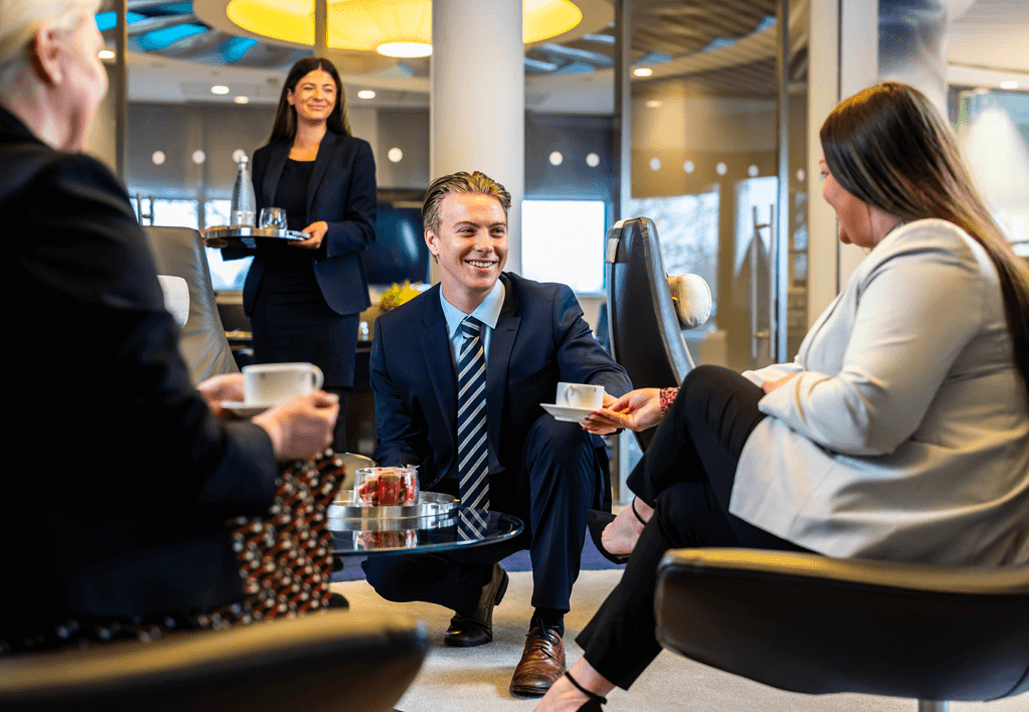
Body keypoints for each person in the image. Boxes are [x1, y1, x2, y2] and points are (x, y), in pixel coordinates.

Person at [533, 81, 1029, 712]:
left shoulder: (931, 252)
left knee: (710, 386)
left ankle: (632, 522)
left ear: (868, 171)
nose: (821, 192)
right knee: (684, 502)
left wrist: (744, 391)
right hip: (889, 505)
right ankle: (575, 695)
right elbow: (804, 371)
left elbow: (863, 416)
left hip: (910, 530)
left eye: (826, 172)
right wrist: (672, 399)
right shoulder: (923, 256)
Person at [0, 0, 340, 653]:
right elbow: (178, 461)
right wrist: (270, 436)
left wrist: (181, 404)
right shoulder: (63, 194)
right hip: (61, 601)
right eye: (96, 52)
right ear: (50, 56)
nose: (102, 76)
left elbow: (23, 411)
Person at [364, 171, 633, 696]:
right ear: (433, 240)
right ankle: (476, 587)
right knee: (384, 569)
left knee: (561, 432)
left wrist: (602, 398)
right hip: (454, 498)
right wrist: (388, 499)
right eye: (468, 231)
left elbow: (604, 372)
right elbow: (396, 439)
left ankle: (548, 625)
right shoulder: (395, 332)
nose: (486, 247)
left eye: (497, 231)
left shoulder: (548, 306)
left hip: (539, 492)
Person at [222, 56, 377, 453]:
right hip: (274, 298)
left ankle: (329, 506)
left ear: (337, 99)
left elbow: (365, 226)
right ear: (290, 96)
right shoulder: (265, 157)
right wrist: (227, 238)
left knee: (329, 410)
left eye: (328, 89)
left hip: (329, 303)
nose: (319, 96)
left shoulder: (354, 152)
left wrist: (329, 231)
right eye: (309, 87)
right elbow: (254, 226)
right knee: (271, 406)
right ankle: (279, 505)